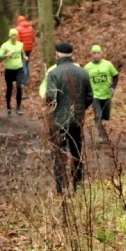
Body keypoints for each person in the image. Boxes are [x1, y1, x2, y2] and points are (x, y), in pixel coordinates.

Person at [46, 42, 93, 194]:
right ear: (72, 54)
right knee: (76, 153)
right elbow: (90, 97)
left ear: (57, 55)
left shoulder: (53, 73)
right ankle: (78, 186)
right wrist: (80, 110)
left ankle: (62, 188)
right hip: (77, 120)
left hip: (59, 121)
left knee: (59, 154)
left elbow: (51, 97)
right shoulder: (83, 72)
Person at [84, 44, 119, 144]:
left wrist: (112, 88)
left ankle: (101, 127)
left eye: (98, 53)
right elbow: (84, 81)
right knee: (98, 115)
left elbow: (116, 76)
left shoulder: (108, 64)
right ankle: (102, 136)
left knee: (106, 116)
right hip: (95, 96)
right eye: (94, 53)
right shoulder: (87, 67)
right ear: (91, 54)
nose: (96, 55)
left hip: (106, 94)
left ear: (101, 54)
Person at [0, 28, 27, 117]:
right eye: (13, 35)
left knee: (19, 86)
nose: (14, 37)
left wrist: (24, 57)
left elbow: (22, 53)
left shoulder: (20, 44)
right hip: (9, 70)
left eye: (16, 35)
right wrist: (6, 55)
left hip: (19, 69)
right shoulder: (5, 45)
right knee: (9, 88)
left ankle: (18, 107)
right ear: (9, 36)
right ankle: (9, 108)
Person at [16, 15, 36, 81]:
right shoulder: (30, 28)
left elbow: (18, 41)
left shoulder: (18, 29)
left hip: (22, 49)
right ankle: (27, 78)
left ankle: (24, 80)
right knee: (26, 63)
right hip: (29, 48)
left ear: (18, 21)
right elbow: (33, 39)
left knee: (23, 64)